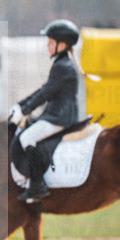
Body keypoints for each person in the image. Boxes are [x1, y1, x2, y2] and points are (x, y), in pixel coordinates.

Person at [7, 19, 82, 203]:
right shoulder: (62, 64)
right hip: (57, 114)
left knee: (26, 138)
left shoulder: (63, 66)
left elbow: (46, 93)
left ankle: (38, 184)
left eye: (50, 42)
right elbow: (44, 89)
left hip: (59, 117)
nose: (47, 46)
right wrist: (20, 105)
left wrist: (24, 110)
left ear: (62, 45)